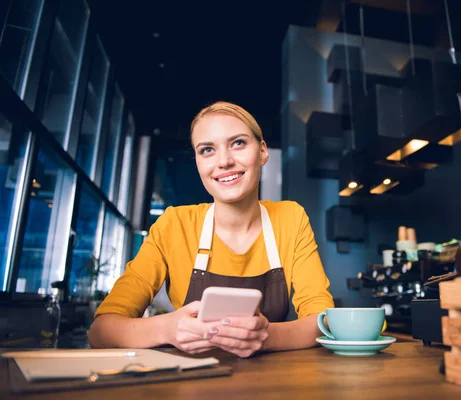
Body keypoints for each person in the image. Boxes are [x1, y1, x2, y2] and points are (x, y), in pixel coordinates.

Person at [88, 101, 334, 358]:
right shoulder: (174, 225)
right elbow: (101, 331)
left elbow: (322, 319)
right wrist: (167, 329)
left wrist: (267, 336)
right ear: (197, 162)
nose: (224, 161)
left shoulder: (290, 218)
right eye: (207, 150)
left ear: (262, 151)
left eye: (238, 143)